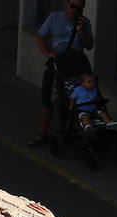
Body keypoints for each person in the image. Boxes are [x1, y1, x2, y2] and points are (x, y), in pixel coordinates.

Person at [30, 0, 94, 147]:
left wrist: (80, 31)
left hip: (74, 66)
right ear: (66, 4)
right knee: (47, 100)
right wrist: (48, 54)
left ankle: (62, 132)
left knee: (65, 101)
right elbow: (41, 38)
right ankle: (42, 133)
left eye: (79, 8)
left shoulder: (85, 23)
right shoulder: (54, 17)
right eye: (73, 6)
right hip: (56, 64)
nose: (75, 10)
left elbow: (89, 45)